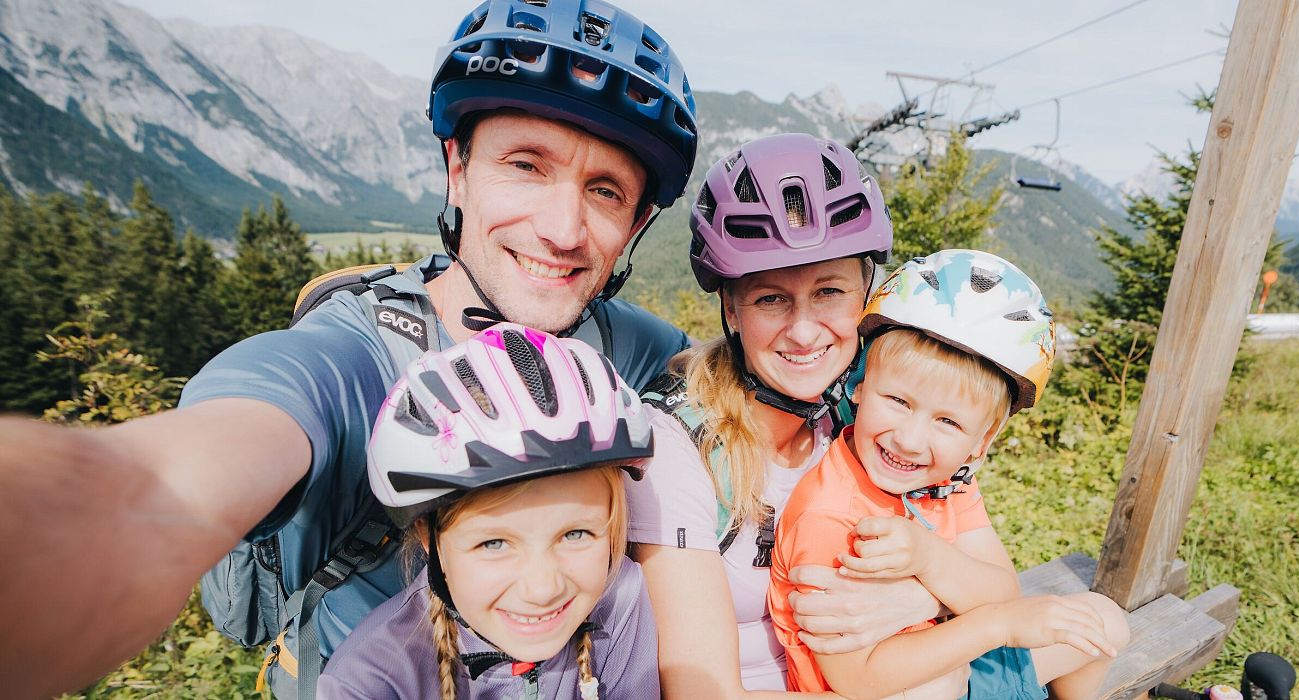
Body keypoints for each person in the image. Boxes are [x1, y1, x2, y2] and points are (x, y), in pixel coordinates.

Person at [0, 1, 697, 696]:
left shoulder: (621, 345)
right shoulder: (354, 358)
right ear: (457, 168)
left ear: (635, 224)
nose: (563, 229)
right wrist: (91, 516)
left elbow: (741, 372)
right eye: (525, 165)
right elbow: (170, 474)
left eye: (604, 191)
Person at [626, 132, 952, 698]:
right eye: (771, 298)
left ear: (864, 294)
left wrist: (925, 595)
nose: (803, 332)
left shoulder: (867, 413)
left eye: (829, 292)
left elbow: (960, 549)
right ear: (731, 307)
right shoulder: (679, 444)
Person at [767, 251, 1131, 700]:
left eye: (949, 423)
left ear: (981, 442)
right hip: (890, 688)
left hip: (960, 660)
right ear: (860, 387)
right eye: (898, 401)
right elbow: (854, 680)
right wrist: (997, 624)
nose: (911, 440)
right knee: (933, 689)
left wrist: (929, 559)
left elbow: (1002, 588)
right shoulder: (829, 515)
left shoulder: (945, 480)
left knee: (1102, 621)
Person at [318, 323, 659, 699]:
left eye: (575, 534)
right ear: (427, 539)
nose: (542, 589)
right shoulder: (369, 682)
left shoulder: (621, 597)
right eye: (494, 543)